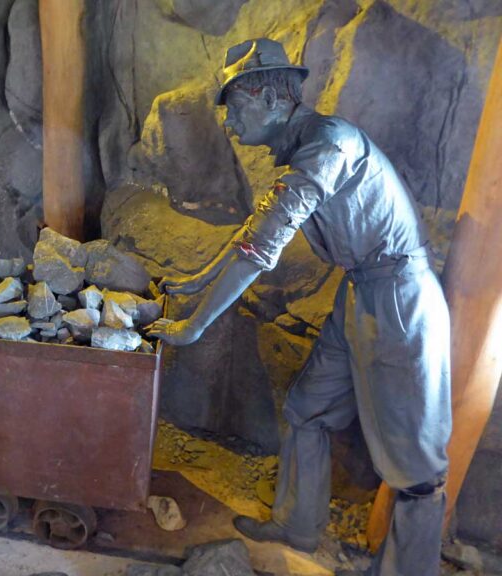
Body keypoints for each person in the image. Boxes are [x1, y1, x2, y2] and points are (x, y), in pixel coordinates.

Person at [147, 38, 451, 576]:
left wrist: (195, 327)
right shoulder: (304, 147)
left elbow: (258, 251)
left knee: (417, 470)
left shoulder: (327, 144)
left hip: (399, 299)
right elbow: (252, 235)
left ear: (267, 97)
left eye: (234, 106)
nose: (229, 123)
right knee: (305, 409)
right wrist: (193, 282)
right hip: (360, 291)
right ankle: (298, 526)